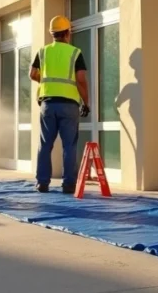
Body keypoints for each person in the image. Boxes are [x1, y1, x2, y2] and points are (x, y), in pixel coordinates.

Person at [29, 16, 91, 194]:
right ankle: (69, 184)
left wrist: (48, 83)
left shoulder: (43, 52)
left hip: (47, 104)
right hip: (69, 106)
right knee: (69, 146)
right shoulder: (75, 53)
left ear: (52, 34)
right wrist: (86, 103)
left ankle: (42, 183)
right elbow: (81, 80)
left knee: (45, 144)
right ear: (67, 33)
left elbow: (33, 74)